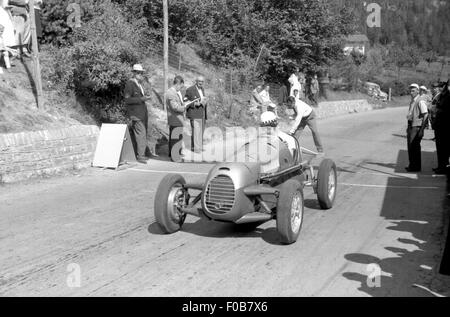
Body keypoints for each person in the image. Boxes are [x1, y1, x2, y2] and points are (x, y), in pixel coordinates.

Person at [124, 64, 151, 164]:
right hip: (136, 114)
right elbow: (127, 100)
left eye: (141, 73)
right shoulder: (130, 84)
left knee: (142, 134)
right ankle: (140, 156)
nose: (140, 74)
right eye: (138, 73)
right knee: (141, 134)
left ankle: (141, 154)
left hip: (142, 113)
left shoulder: (139, 84)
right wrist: (141, 99)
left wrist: (145, 97)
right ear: (134, 73)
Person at [405, 84, 429, 173]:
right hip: (411, 125)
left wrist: (422, 129)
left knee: (414, 147)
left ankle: (415, 166)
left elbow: (425, 114)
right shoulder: (413, 101)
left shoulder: (420, 101)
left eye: (413, 91)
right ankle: (413, 165)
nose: (411, 93)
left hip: (416, 126)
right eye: (410, 91)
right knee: (412, 147)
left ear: (418, 91)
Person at [185, 76, 208, 154]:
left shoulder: (202, 89)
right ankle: (196, 148)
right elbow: (186, 101)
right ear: (196, 81)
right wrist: (195, 104)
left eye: (202, 81)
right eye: (199, 81)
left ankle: (197, 146)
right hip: (194, 113)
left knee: (200, 131)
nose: (200, 83)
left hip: (202, 113)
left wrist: (205, 102)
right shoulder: (190, 90)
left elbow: (202, 99)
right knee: (196, 131)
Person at [167, 75, 187, 162]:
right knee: (175, 138)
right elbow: (175, 107)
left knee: (175, 137)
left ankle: (174, 154)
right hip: (175, 119)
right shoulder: (171, 93)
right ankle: (175, 157)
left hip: (177, 119)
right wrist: (184, 107)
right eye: (181, 86)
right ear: (178, 84)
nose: (181, 89)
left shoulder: (174, 92)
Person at [433, 80, 450, 175]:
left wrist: (438, 109)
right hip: (439, 125)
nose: (439, 88)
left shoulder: (448, 96)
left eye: (441, 86)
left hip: (444, 126)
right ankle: (440, 166)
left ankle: (443, 167)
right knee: (440, 148)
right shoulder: (442, 96)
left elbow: (446, 110)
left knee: (444, 149)